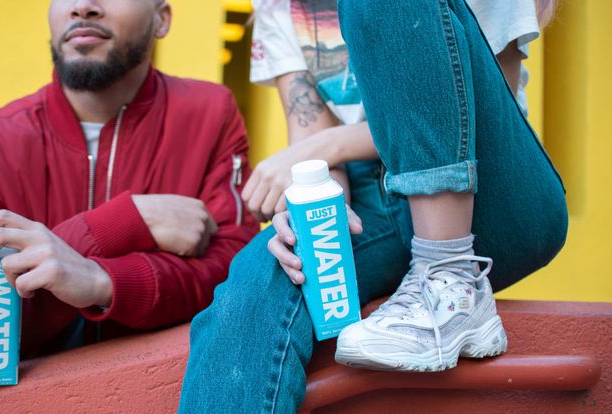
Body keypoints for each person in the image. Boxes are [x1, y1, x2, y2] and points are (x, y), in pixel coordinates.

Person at [179, 0, 565, 411]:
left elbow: (485, 119)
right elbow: (319, 154)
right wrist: (316, 215)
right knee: (259, 282)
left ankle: (448, 275)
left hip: (491, 194)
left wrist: (325, 145)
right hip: (377, 198)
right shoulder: (281, 6)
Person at [0, 0, 258, 361]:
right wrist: (126, 221)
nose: (82, 7)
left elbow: (238, 279)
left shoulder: (210, 113)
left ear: (161, 19)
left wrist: (100, 281)